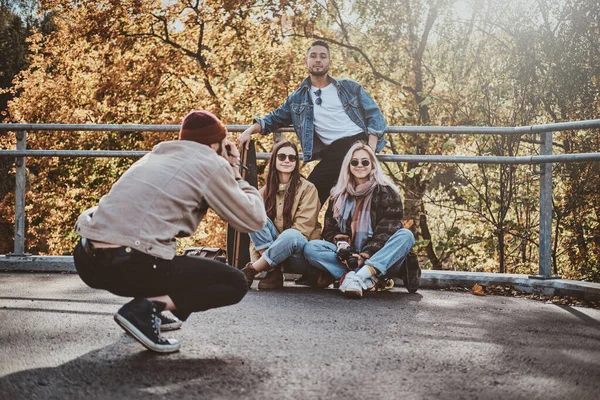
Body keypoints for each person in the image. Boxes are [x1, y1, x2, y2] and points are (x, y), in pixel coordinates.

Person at [72, 111, 266, 353]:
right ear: (216, 144)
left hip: (87, 261)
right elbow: (254, 220)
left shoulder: (155, 155)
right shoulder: (212, 163)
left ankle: (153, 310)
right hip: (128, 263)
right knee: (234, 282)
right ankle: (146, 309)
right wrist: (235, 170)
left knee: (168, 257)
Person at [238, 40, 387, 206]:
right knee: (313, 195)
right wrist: (249, 131)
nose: (318, 60)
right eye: (313, 56)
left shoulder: (349, 87)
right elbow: (273, 118)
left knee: (314, 195)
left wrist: (370, 150)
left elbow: (376, 116)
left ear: (329, 62)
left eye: (323, 56)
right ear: (306, 61)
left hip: (357, 144)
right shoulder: (297, 99)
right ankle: (305, 230)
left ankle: (304, 229)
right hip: (332, 152)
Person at [303, 142, 421, 299]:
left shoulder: (388, 192)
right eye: (354, 162)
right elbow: (330, 230)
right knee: (311, 248)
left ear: (372, 164)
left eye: (365, 161)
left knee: (406, 236)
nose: (360, 165)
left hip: (382, 259)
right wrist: (344, 248)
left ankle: (356, 278)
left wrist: (364, 256)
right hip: (348, 258)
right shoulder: (338, 194)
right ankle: (369, 280)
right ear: (348, 165)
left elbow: (387, 232)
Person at [240, 140, 321, 289]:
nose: (287, 161)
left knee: (292, 235)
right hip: (274, 255)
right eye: (282, 156)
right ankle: (273, 270)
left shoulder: (308, 189)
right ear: (274, 160)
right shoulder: (264, 192)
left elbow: (302, 231)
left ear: (296, 162)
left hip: (298, 256)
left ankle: (251, 270)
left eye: (292, 158)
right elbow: (256, 234)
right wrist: (276, 250)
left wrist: (279, 244)